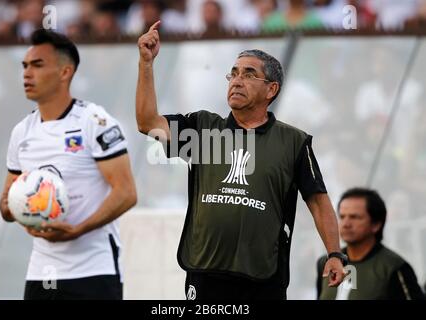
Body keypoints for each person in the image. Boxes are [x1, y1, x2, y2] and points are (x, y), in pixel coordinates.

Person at [135, 21, 346, 300]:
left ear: (271, 90)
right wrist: (146, 63)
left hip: (263, 277)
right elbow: (147, 122)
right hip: (205, 273)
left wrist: (334, 253)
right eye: (233, 73)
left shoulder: (294, 142)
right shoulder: (202, 128)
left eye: (248, 74)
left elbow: (318, 202)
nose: (237, 80)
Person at [0, 29, 137, 300]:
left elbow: (126, 193)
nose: (27, 73)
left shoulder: (94, 121)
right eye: (25, 66)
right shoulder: (21, 132)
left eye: (38, 65)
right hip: (41, 273)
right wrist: (20, 206)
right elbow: (5, 204)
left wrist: (77, 229)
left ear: (65, 73)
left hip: (94, 271)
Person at [317, 187, 425, 300]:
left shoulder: (394, 267)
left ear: (376, 224)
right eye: (342, 217)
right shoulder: (326, 264)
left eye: (354, 217)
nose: (345, 224)